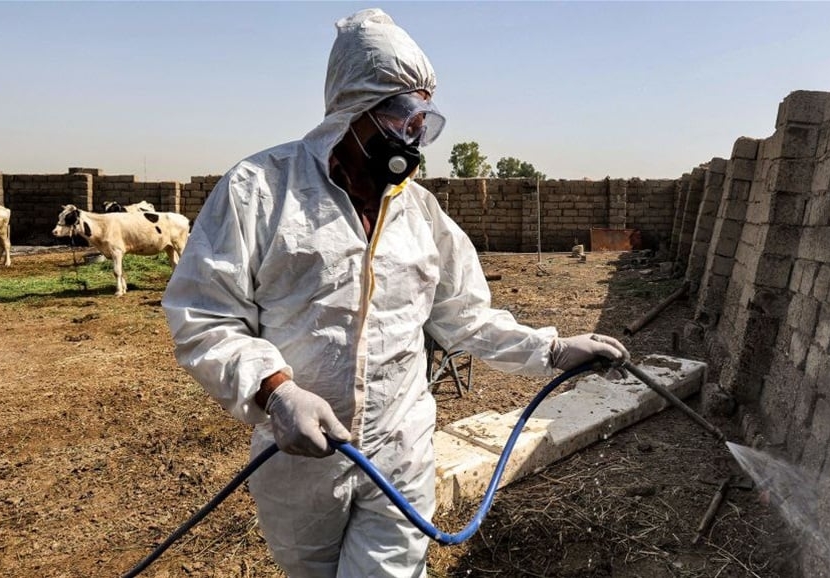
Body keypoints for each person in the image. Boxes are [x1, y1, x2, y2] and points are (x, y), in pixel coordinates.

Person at [161, 8, 629, 577]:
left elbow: (465, 316)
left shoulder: (420, 212)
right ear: (357, 110)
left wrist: (552, 350)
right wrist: (275, 393)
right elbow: (206, 316)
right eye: (404, 114)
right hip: (299, 454)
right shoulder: (260, 190)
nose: (414, 133)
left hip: (400, 448)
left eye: (424, 120)